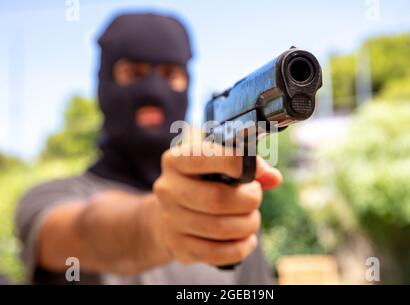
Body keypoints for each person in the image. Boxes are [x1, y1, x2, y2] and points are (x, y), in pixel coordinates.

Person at [15, 12, 282, 285]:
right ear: (103, 83)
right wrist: (159, 226)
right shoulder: (48, 199)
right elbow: (82, 230)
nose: (155, 90)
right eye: (135, 73)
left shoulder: (227, 208)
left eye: (171, 74)